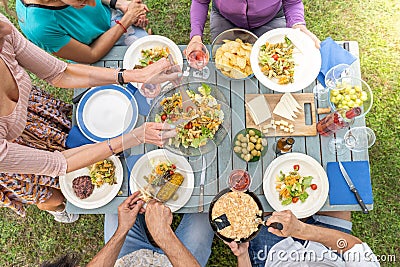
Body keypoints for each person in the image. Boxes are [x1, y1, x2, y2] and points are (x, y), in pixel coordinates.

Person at [0, 13, 180, 222]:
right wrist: (136, 136)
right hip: (9, 156)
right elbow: (59, 163)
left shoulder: (2, 29)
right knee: (49, 193)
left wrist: (135, 75)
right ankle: (59, 211)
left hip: (32, 115)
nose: (5, 28)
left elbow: (60, 73)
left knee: (67, 137)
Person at [40, 192, 215, 267]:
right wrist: (164, 236)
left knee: (118, 203)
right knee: (208, 209)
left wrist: (122, 230)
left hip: (129, 260)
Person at [226, 210, 380, 266]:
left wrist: (243, 255)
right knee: (335, 191)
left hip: (273, 254)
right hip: (331, 248)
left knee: (258, 199)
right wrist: (300, 229)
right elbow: (353, 247)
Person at [16, 0, 150, 63]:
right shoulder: (39, 27)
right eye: (83, 1)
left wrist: (118, 4)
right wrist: (127, 20)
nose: (93, 4)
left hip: (110, 21)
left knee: (148, 48)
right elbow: (91, 55)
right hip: (94, 53)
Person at [187, 0, 320, 56]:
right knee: (224, 65)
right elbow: (200, 1)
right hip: (226, 19)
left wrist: (298, 25)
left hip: (271, 19)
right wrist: (196, 37)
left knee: (273, 66)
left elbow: (292, 2)